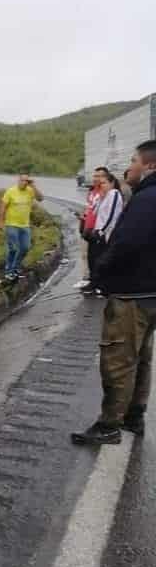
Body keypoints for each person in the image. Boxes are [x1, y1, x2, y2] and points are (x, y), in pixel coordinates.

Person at [72, 140, 156, 445]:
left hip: (132, 294)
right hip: (149, 293)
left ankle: (109, 425)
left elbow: (126, 243)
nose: (128, 166)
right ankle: (135, 416)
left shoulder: (146, 199)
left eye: (133, 160)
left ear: (149, 165)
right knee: (142, 358)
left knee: (118, 358)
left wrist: (100, 273)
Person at [82, 171, 123, 295]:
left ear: (112, 183)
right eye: (100, 184)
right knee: (94, 258)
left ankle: (103, 284)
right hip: (98, 232)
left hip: (107, 233)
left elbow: (111, 215)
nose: (102, 185)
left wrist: (101, 231)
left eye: (104, 183)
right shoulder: (103, 196)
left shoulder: (114, 194)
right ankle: (95, 283)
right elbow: (94, 211)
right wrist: (100, 196)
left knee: (101, 259)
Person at [0, 172, 44, 281]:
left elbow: (41, 198)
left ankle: (15, 268)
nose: (24, 182)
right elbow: (3, 207)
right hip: (11, 224)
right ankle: (9, 271)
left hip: (25, 225)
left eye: (26, 180)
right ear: (18, 180)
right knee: (13, 248)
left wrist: (33, 186)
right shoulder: (11, 191)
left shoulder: (30, 191)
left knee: (25, 248)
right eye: (22, 180)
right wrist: (1, 221)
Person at [73, 168, 105, 289]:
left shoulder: (106, 192)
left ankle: (98, 282)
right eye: (95, 176)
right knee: (88, 256)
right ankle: (91, 280)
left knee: (97, 256)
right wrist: (83, 216)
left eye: (100, 176)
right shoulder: (92, 191)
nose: (96, 178)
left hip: (97, 230)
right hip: (87, 228)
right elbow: (90, 209)